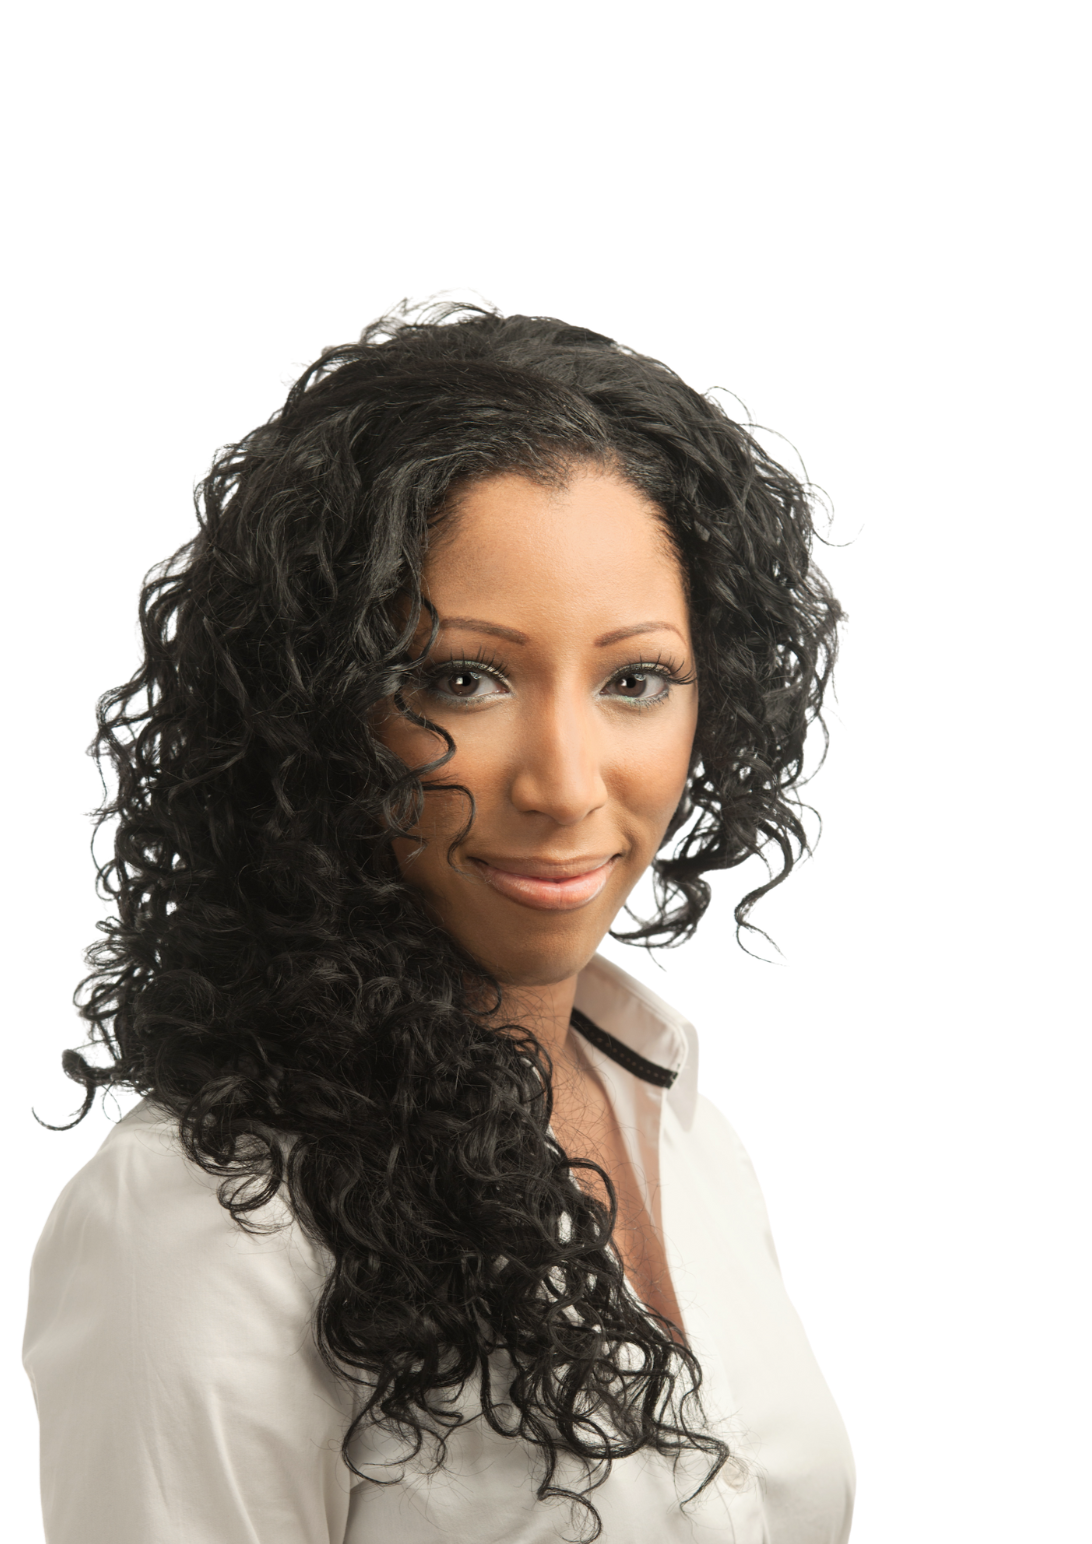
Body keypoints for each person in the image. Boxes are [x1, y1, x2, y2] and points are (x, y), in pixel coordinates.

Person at [22, 289, 854, 1542]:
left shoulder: (688, 1126)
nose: (565, 783)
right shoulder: (203, 1215)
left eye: (636, 678)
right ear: (316, 710)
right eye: (464, 677)